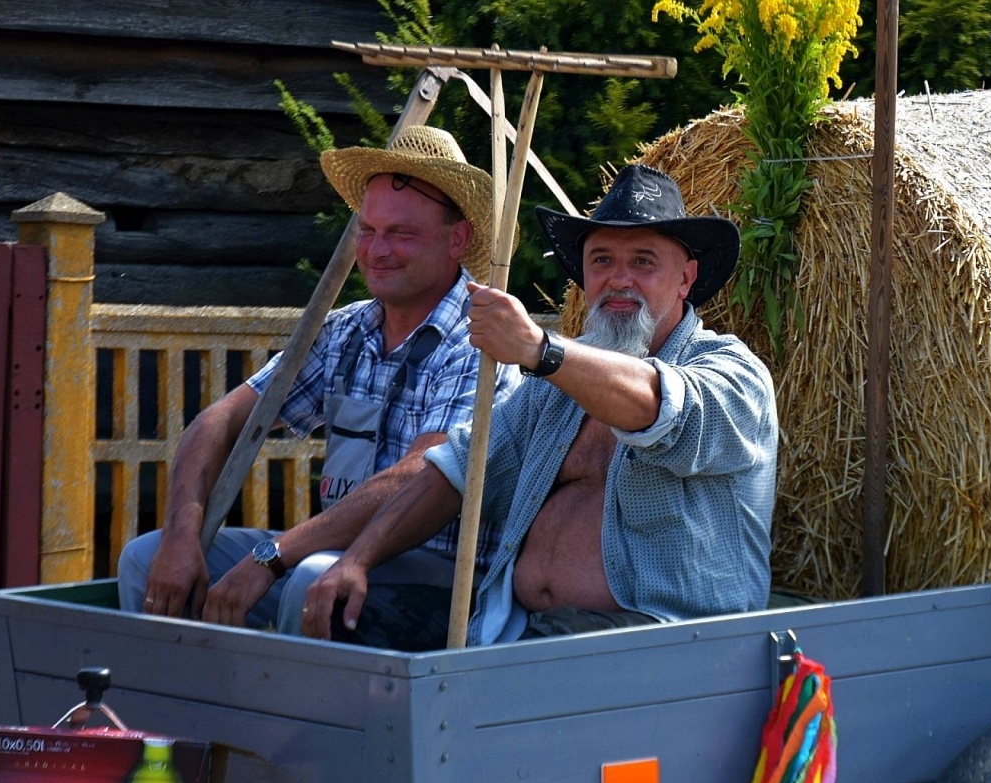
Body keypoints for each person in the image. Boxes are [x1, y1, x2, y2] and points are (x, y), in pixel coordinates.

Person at [301, 163, 778, 649]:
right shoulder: (552, 392)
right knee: (343, 616)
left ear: (685, 279)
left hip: (665, 640)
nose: (618, 280)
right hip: (516, 625)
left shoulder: (732, 373)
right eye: (601, 261)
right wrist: (356, 561)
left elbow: (660, 406)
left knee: (534, 657)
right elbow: (459, 471)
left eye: (643, 262)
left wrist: (540, 350)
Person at [117, 126, 521, 633]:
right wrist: (181, 534)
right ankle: (167, 709)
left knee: (311, 577)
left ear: (456, 239)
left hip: (447, 578)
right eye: (369, 231)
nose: (378, 250)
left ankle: (287, 711)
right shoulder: (345, 330)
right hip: (331, 553)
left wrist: (272, 555)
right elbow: (222, 419)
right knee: (143, 557)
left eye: (401, 233)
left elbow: (425, 472)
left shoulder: (483, 337)